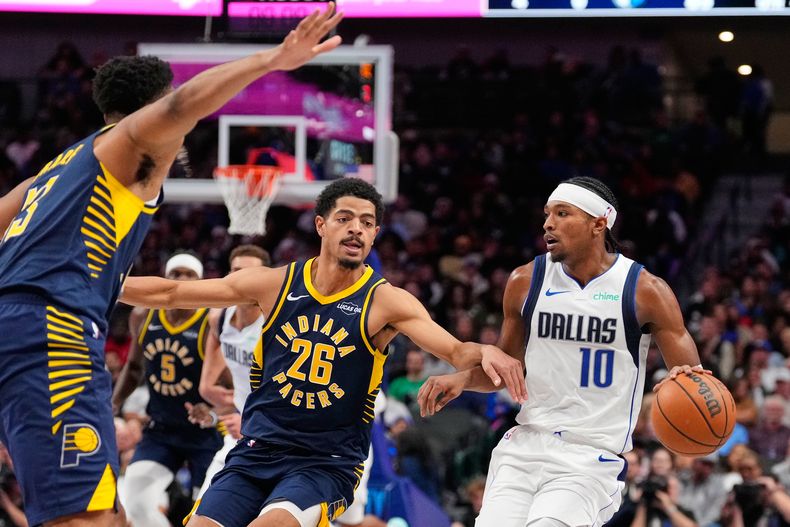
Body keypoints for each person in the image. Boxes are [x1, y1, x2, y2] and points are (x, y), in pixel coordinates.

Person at [0, 5, 344, 525]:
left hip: (26, 328)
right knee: (83, 518)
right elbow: (186, 102)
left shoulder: (56, 168)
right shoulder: (131, 146)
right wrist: (274, 59)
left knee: (105, 510)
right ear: (152, 107)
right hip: (51, 332)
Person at [120, 178, 526, 527]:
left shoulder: (386, 302)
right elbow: (172, 291)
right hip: (256, 449)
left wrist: (487, 351)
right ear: (321, 225)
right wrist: (99, 283)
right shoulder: (275, 283)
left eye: (367, 223)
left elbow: (455, 350)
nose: (356, 230)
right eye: (345, 218)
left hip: (325, 462)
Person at [417, 176, 706, 527]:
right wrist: (461, 380)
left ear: (599, 224)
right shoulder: (526, 281)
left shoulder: (645, 291)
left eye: (563, 213)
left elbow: (693, 381)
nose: (548, 223)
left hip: (589, 458)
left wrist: (684, 391)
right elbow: (506, 371)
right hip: (524, 446)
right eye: (547, 214)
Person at [111, 253, 222, 526]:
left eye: (189, 276)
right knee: (135, 500)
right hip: (162, 429)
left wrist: (212, 409)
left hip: (205, 433)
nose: (182, 281)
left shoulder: (210, 322)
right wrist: (113, 403)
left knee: (205, 513)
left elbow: (230, 383)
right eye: (176, 274)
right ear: (165, 278)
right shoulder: (143, 314)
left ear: (200, 282)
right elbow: (135, 367)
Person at [191, 245, 271, 500]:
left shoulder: (275, 325)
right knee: (201, 512)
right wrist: (216, 411)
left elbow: (290, 396)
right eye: (236, 271)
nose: (242, 279)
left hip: (276, 439)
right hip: (242, 434)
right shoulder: (219, 317)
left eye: (250, 273)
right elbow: (208, 387)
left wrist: (252, 421)